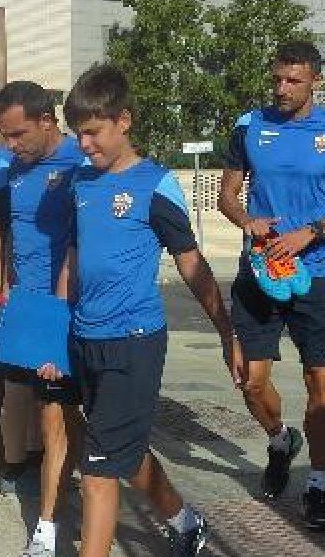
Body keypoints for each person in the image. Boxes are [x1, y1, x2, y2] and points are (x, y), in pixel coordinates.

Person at [53, 64, 242, 557]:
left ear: (124, 121)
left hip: (132, 343)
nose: (85, 144)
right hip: (83, 338)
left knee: (97, 471)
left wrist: (227, 331)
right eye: (78, 135)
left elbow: (191, 264)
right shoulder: (80, 185)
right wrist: (53, 333)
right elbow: (71, 262)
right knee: (125, 451)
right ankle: (186, 522)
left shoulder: (155, 185)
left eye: (92, 133)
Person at [216, 41, 325, 532]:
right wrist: (248, 220)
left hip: (315, 273)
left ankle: (318, 486)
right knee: (251, 378)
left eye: (293, 81)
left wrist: (310, 232)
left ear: (314, 82)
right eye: (277, 79)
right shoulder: (248, 126)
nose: (282, 88)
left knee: (319, 384)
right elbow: (227, 196)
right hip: (259, 271)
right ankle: (281, 439)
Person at [0, 80, 87, 557]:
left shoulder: (83, 162)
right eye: (4, 135)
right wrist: (5, 292)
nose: (10, 145)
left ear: (47, 121)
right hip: (32, 303)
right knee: (31, 393)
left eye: (18, 134)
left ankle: (75, 478)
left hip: (83, 303)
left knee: (74, 399)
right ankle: (24, 475)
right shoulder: (2, 169)